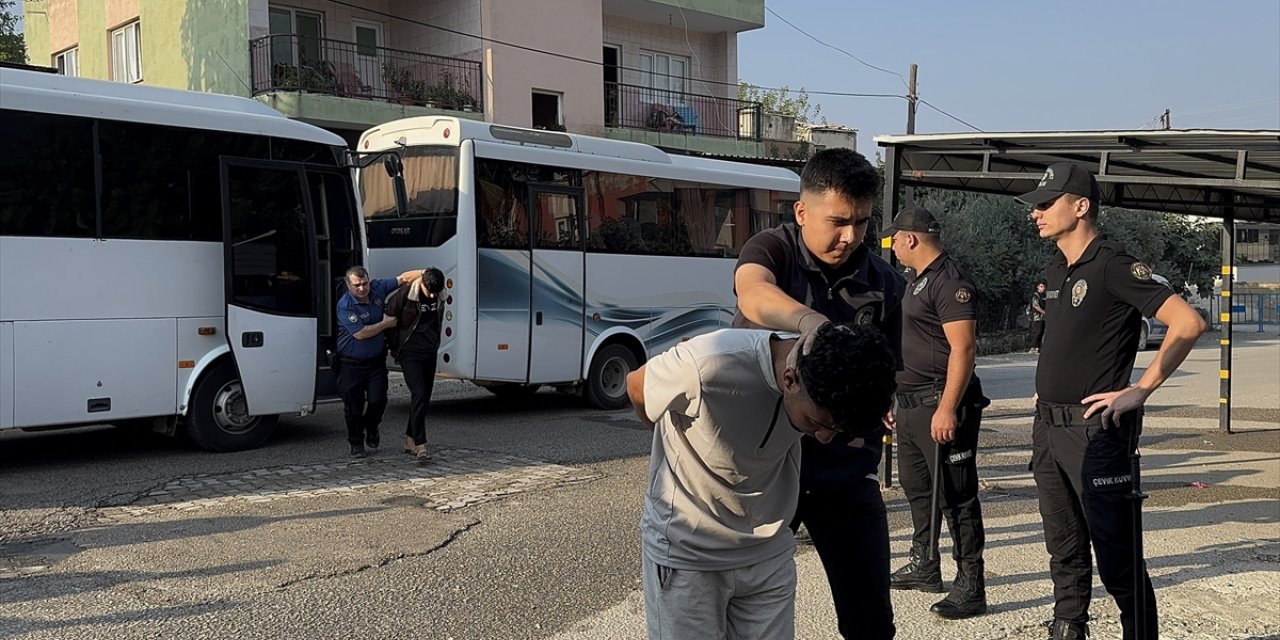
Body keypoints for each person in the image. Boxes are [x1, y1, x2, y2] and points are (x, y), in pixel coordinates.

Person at [1017, 162, 1207, 640]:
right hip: (1050, 429)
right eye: (1035, 205)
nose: (1035, 213)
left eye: (1045, 204)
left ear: (1080, 207)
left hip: (1094, 432)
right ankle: (1069, 628)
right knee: (1063, 546)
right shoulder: (1058, 265)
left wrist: (1140, 389)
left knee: (1117, 554)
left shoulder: (1113, 264)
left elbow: (1187, 324)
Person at [626, 323, 898, 640]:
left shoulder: (826, 372)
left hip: (768, 551)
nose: (824, 439)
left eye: (837, 431)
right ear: (790, 379)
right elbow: (637, 386)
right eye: (817, 423)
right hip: (689, 554)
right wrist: (678, 451)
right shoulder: (708, 363)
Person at [732, 147, 905, 639]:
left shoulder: (884, 282)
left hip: (844, 475)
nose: (850, 237)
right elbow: (752, 293)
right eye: (838, 221)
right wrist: (812, 322)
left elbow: (887, 372)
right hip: (762, 475)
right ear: (802, 211)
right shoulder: (774, 248)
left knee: (871, 624)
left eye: (862, 223)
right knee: (746, 619)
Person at [883, 206, 990, 620]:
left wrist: (947, 407)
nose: (891, 247)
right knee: (918, 489)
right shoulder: (916, 281)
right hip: (911, 405)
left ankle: (971, 584)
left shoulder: (950, 282)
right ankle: (925, 563)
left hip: (940, 405)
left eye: (893, 240)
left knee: (956, 496)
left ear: (910, 239)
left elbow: (963, 349)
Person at [335, 265, 423, 458]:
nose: (362, 288)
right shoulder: (345, 305)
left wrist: (425, 273)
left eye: (365, 283)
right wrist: (385, 324)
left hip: (375, 362)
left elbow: (403, 278)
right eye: (357, 285)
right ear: (348, 285)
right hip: (351, 364)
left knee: (378, 401)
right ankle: (356, 443)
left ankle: (372, 426)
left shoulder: (377, 288)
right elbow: (360, 333)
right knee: (353, 407)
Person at [385, 268, 447, 462]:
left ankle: (409, 440)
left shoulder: (440, 295)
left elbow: (438, 321)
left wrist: (435, 343)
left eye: (436, 292)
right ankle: (420, 444)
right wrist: (395, 347)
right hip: (409, 352)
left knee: (423, 397)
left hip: (428, 351)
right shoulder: (405, 294)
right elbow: (390, 319)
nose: (432, 295)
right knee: (418, 393)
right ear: (422, 283)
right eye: (429, 291)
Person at [1029, 281, 1047, 353]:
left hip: (1043, 318)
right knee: (1038, 332)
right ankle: (1033, 347)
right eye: (1041, 286)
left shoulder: (1044, 295)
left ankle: (1038, 347)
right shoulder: (1035, 296)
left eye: (1044, 287)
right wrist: (1044, 312)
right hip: (1036, 317)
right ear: (1037, 287)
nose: (1043, 288)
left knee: (1042, 332)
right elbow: (1036, 306)